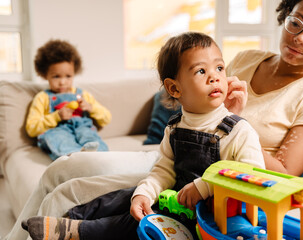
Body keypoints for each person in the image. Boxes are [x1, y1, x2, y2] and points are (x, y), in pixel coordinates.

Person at [5, 0, 303, 239]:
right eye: (296, 22)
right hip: (177, 151)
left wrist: (238, 120)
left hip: (222, 174)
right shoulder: (252, 57)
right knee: (60, 169)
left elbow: (280, 175)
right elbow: (201, 92)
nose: (299, 38)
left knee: (69, 191)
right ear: (286, 14)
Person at [22, 31, 265, 240]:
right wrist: (144, 193)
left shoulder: (237, 130)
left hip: (207, 218)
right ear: (174, 88)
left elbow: (251, 174)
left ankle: (80, 232)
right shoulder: (175, 127)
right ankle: (69, 219)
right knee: (123, 197)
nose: (215, 77)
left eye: (220, 68)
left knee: (138, 223)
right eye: (201, 71)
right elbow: (163, 170)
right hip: (175, 200)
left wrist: (204, 186)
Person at [26, 39, 111, 160]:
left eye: (68, 76)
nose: (62, 82)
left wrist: (91, 108)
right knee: (59, 138)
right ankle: (76, 160)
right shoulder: (42, 98)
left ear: (74, 73)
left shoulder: (83, 95)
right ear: (45, 75)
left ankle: (99, 159)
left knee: (89, 136)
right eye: (56, 76)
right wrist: (56, 117)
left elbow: (106, 118)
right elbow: (32, 128)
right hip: (57, 131)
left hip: (83, 129)